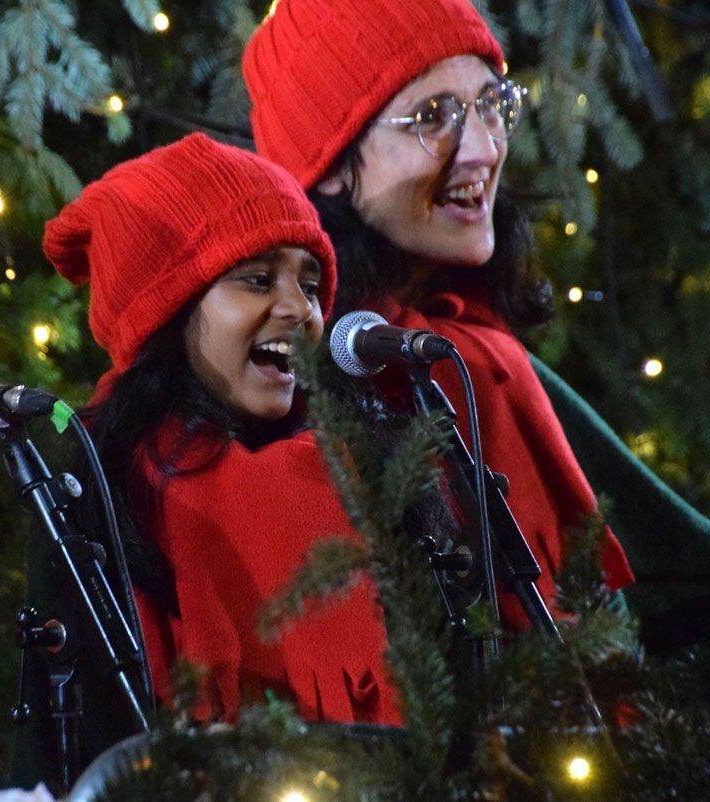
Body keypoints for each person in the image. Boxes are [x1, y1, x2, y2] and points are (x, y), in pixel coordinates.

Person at [15, 133, 410, 788]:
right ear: (165, 311)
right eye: (256, 279)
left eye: (310, 285)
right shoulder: (96, 485)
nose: (298, 309)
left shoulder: (366, 467)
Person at [242, 0, 637, 633]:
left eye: (490, 104)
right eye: (433, 117)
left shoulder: (473, 338)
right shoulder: (291, 392)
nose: (484, 148)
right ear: (334, 164)